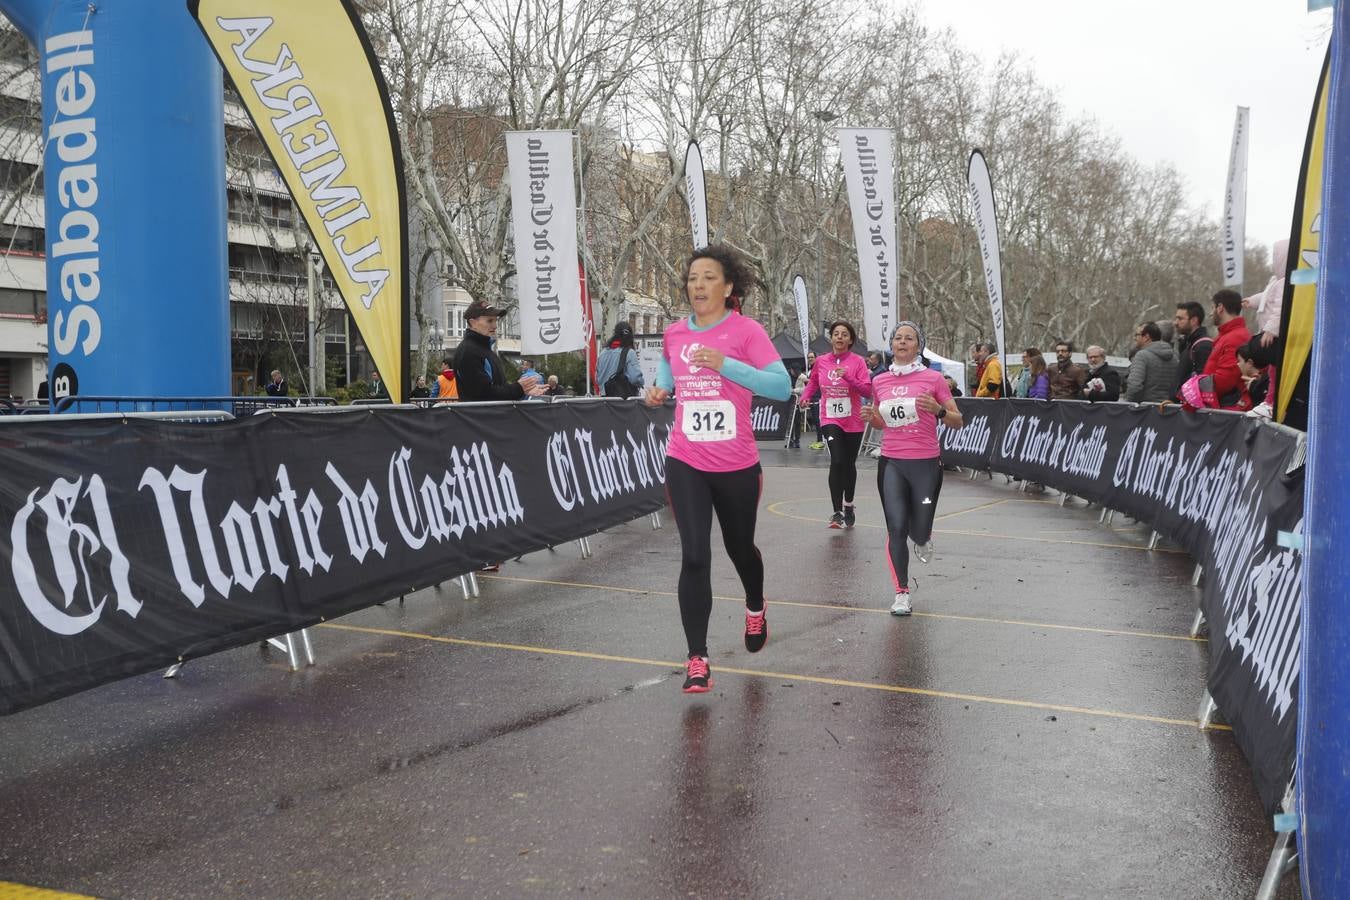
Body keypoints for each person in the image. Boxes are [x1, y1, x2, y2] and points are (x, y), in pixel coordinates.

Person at [643, 243, 791, 694]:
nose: (698, 285)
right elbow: (668, 378)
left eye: (708, 278)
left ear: (728, 287)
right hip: (686, 459)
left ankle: (754, 604)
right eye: (692, 279)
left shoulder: (747, 331)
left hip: (736, 463)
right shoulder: (674, 334)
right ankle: (697, 658)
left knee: (739, 548)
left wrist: (727, 365)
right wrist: (657, 392)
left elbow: (782, 387)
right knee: (694, 555)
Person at [868, 321, 964, 616]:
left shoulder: (933, 379)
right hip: (892, 461)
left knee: (918, 532)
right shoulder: (879, 381)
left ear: (918, 346)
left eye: (909, 338)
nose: (902, 342)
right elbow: (881, 422)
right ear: (892, 344)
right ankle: (902, 593)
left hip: (925, 463)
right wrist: (870, 418)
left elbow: (957, 420)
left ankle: (923, 538)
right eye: (898, 338)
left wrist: (938, 410)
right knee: (896, 527)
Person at [800, 320, 871, 528]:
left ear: (850, 340)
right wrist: (805, 396)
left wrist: (849, 377)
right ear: (831, 338)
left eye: (844, 334)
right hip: (830, 418)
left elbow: (867, 391)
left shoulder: (858, 362)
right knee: (837, 460)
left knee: (848, 464)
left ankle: (849, 504)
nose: (839, 337)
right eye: (836, 334)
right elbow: (813, 381)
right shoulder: (821, 361)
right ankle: (837, 512)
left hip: (853, 420)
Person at [453, 301, 546, 402]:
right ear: (473, 323)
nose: (495, 326)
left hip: (490, 415)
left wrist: (522, 391)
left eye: (495, 320)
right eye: (489, 321)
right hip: (479, 416)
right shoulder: (469, 351)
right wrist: (518, 388)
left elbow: (497, 388)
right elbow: (483, 393)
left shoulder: (484, 350)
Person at [1200, 289, 1253, 409]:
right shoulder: (1227, 335)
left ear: (1220, 308)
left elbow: (1226, 379)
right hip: (1220, 405)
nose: (1210, 313)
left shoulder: (1235, 337)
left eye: (1212, 307)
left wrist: (1196, 388)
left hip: (1226, 408)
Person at [1124, 322, 1178, 403]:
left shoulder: (1142, 356)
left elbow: (1134, 387)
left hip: (1145, 410)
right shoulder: (1175, 358)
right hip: (1167, 409)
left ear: (1146, 337)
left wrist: (1130, 405)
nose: (1134, 338)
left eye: (1137, 335)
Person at [1172, 300, 1213, 400]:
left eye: (1180, 319)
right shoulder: (1188, 343)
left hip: (1191, 410)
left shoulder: (1203, 346)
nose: (1175, 323)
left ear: (1194, 320)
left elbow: (1203, 382)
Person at [596, 321, 644, 398]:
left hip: (604, 400)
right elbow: (635, 378)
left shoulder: (603, 353)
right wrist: (641, 382)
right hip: (622, 401)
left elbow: (598, 379)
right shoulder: (630, 353)